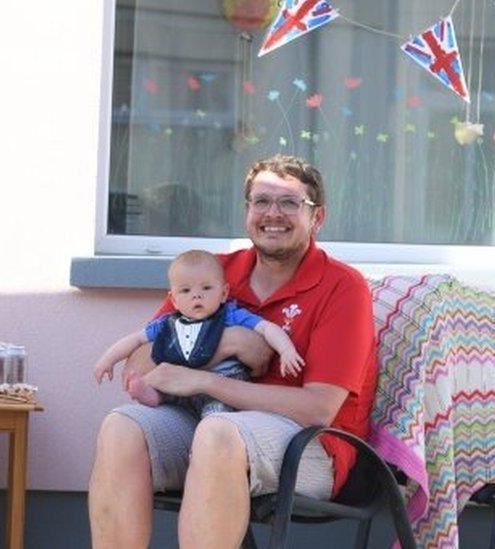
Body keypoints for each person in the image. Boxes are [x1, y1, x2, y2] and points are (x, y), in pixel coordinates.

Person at [88, 154, 378, 549]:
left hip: (311, 445)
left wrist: (203, 379)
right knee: (122, 426)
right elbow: (140, 365)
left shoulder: (343, 286)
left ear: (317, 217)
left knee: (219, 432)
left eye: (290, 202)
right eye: (261, 201)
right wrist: (228, 343)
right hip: (206, 421)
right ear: (247, 211)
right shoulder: (213, 274)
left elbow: (318, 409)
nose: (272, 213)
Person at [93, 249, 303, 414]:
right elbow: (136, 339)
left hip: (223, 388)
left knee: (217, 414)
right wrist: (107, 360)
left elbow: (267, 328)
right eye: (186, 291)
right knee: (160, 388)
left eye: (206, 288)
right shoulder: (168, 323)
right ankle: (151, 395)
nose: (197, 296)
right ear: (174, 299)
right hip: (179, 389)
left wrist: (286, 350)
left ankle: (206, 443)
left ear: (224, 293)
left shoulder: (231, 315)